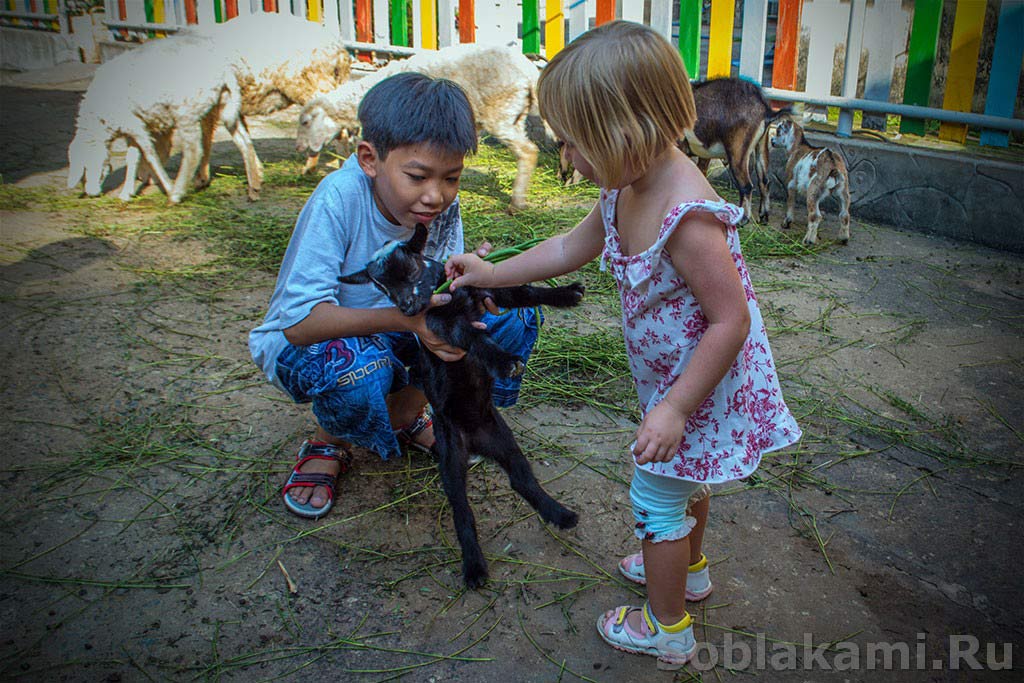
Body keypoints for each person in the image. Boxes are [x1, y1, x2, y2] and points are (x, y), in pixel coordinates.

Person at [445, 21, 802, 668]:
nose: (568, 157)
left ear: (626, 132)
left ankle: (667, 626)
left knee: (654, 494)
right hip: (676, 383)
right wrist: (491, 272)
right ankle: (687, 568)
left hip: (700, 385)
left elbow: (731, 321)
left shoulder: (687, 217)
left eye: (574, 144)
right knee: (683, 482)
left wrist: (675, 409)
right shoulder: (624, 186)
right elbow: (566, 248)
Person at [249, 72, 543, 520]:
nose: (436, 195)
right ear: (369, 158)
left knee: (511, 318)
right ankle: (332, 439)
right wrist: (407, 322)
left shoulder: (437, 205)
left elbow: (433, 294)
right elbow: (301, 322)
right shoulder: (339, 199)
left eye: (452, 177)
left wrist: (467, 283)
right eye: (418, 176)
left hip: (401, 330)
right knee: (355, 371)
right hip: (312, 343)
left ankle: (406, 415)